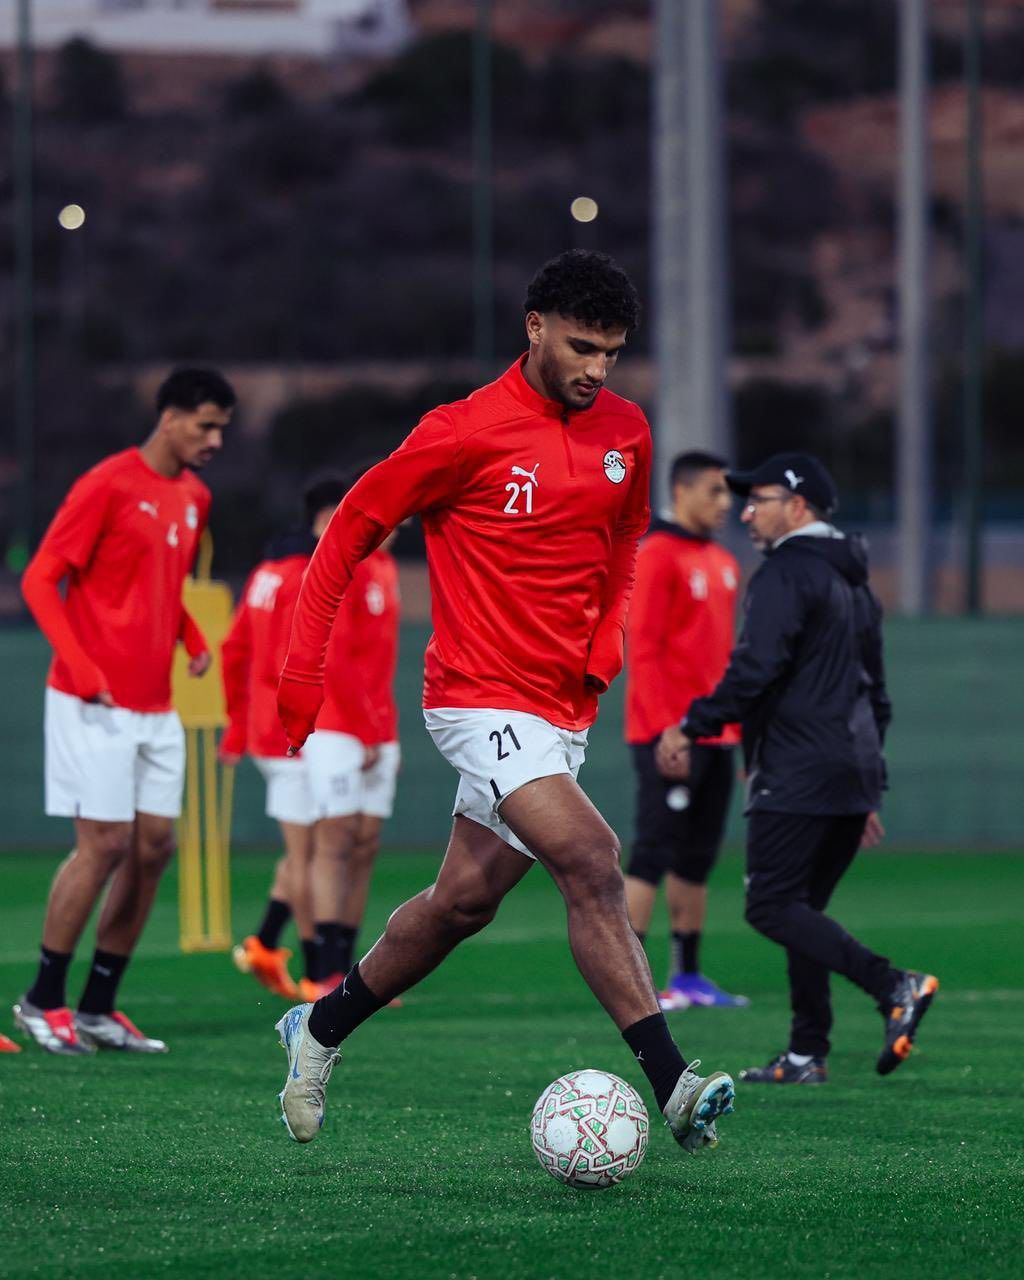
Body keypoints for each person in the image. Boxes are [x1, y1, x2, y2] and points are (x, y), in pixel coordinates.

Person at [273, 249, 735, 1152]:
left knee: (462, 904)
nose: (596, 369)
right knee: (594, 860)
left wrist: (609, 635)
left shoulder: (627, 431)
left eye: (611, 352)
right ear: (534, 328)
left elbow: (627, 539)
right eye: (581, 347)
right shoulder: (460, 432)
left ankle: (317, 1028)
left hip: (561, 713)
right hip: (476, 698)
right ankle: (675, 1085)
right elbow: (349, 533)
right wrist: (301, 672)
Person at [658, 452, 939, 1084]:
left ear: (799, 506)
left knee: (770, 906)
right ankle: (807, 1052)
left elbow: (756, 669)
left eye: (759, 500)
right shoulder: (856, 579)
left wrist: (693, 725)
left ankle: (892, 985)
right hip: (849, 769)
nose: (747, 513)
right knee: (802, 910)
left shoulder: (785, 572)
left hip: (799, 765)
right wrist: (870, 786)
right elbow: (877, 693)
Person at [13, 368, 235, 1055]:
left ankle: (98, 1008)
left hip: (157, 705)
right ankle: (41, 999)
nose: (215, 440)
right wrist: (81, 666)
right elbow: (39, 579)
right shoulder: (106, 484)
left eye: (222, 428)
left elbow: (163, 586)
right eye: (205, 425)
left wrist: (192, 637)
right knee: (104, 844)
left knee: (153, 848)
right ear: (168, 418)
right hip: (92, 702)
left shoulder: (194, 496)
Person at [623, 450, 748, 1010]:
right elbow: (643, 651)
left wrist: (736, 732)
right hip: (667, 735)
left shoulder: (723, 562)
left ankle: (689, 977)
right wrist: (663, 732)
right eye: (714, 491)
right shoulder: (656, 555)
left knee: (697, 856)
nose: (725, 503)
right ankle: (631, 982)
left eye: (727, 493)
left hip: (716, 736)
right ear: (681, 492)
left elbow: (725, 661)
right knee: (652, 851)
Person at [221, 477, 350, 1001]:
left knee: (306, 850)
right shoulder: (305, 575)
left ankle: (265, 942)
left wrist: (237, 728)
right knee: (309, 857)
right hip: (292, 731)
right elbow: (291, 662)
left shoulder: (265, 573)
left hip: (265, 728)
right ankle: (317, 971)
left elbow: (234, 650)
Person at [299, 522, 402, 1001]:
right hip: (337, 725)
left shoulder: (386, 568)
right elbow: (336, 656)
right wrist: (366, 728)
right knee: (334, 840)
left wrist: (383, 729)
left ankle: (348, 973)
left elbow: (378, 661)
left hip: (378, 727)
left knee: (365, 845)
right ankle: (322, 970)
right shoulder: (344, 565)